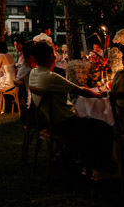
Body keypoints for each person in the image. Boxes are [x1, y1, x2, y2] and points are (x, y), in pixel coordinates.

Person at [28, 42, 114, 177]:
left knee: (90, 121)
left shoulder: (33, 73)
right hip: (64, 123)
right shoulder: (52, 78)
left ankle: (83, 161)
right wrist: (99, 94)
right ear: (52, 57)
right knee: (104, 127)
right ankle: (101, 168)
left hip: (49, 121)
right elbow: (80, 91)